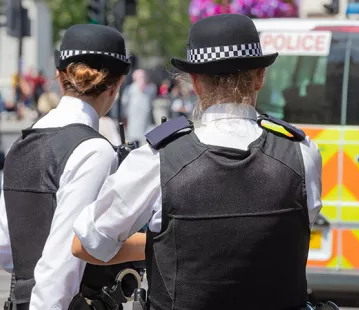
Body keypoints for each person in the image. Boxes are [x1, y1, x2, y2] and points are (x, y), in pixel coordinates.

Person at [72, 14, 326, 310]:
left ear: (195, 82)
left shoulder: (157, 159)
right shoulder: (302, 154)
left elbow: (87, 244)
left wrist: (163, 244)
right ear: (259, 77)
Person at [0, 24, 143, 310]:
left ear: (58, 75)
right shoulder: (93, 150)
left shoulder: (25, 139)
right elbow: (64, 262)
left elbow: (6, 244)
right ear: (116, 85)